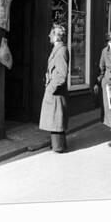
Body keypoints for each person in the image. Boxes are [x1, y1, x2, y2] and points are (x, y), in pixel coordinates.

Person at [38, 24, 70, 153]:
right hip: (55, 91)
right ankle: (57, 145)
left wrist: (51, 88)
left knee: (57, 118)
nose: (49, 35)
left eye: (51, 33)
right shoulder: (57, 49)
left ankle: (59, 147)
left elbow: (62, 75)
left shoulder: (61, 50)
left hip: (56, 92)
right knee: (55, 118)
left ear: (57, 37)